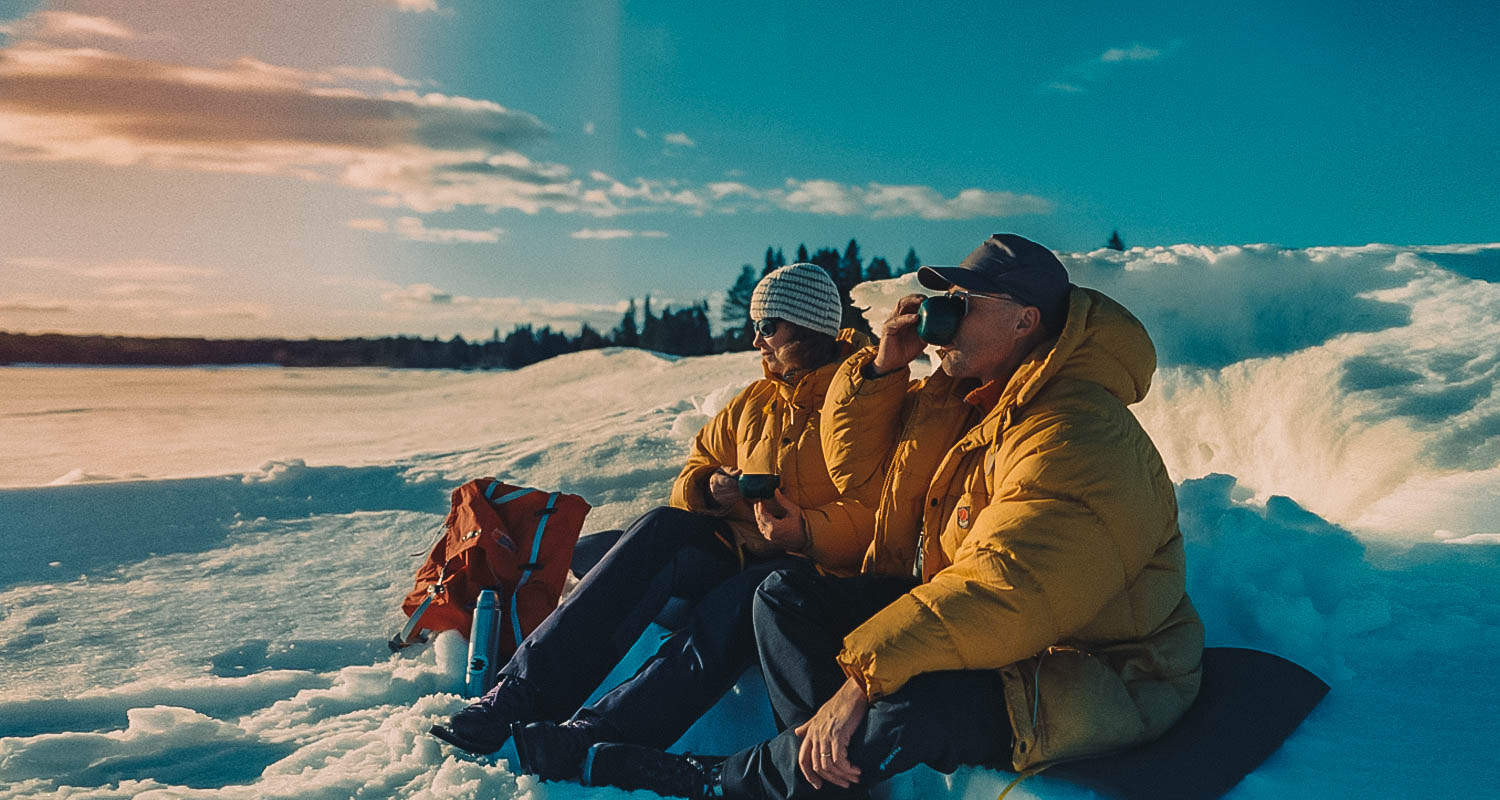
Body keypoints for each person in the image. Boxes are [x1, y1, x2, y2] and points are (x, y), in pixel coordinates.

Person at [579, 233, 1205, 799]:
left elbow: (1009, 584)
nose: (944, 318)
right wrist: (886, 363)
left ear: (1024, 320)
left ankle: (728, 780)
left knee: (903, 707)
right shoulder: (975, 398)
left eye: (964, 303)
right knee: (784, 595)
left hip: (1082, 667)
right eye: (945, 301)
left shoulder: (1074, 432)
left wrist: (859, 682)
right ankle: (820, 779)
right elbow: (860, 467)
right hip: (998, 631)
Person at [429, 263, 882, 782]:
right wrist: (711, 486)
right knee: (661, 526)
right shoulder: (757, 401)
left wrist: (803, 529)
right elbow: (696, 465)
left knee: (734, 606)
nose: (754, 338)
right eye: (754, 324)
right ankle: (519, 694)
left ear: (809, 327)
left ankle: (595, 734)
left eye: (767, 325)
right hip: (738, 546)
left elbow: (873, 507)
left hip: (811, 568)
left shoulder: (859, 400)